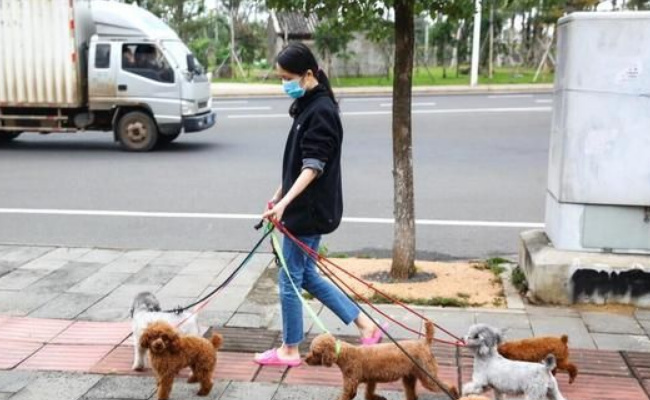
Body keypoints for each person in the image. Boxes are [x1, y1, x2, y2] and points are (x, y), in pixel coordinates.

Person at [254, 43, 383, 367]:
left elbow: (313, 166)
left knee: (289, 279)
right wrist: (278, 195)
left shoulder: (321, 111)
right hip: (303, 207)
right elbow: (298, 164)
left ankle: (290, 349)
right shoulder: (308, 104)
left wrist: (284, 203)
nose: (284, 84)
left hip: (308, 212)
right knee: (306, 274)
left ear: (308, 74)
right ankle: (367, 325)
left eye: (287, 77)